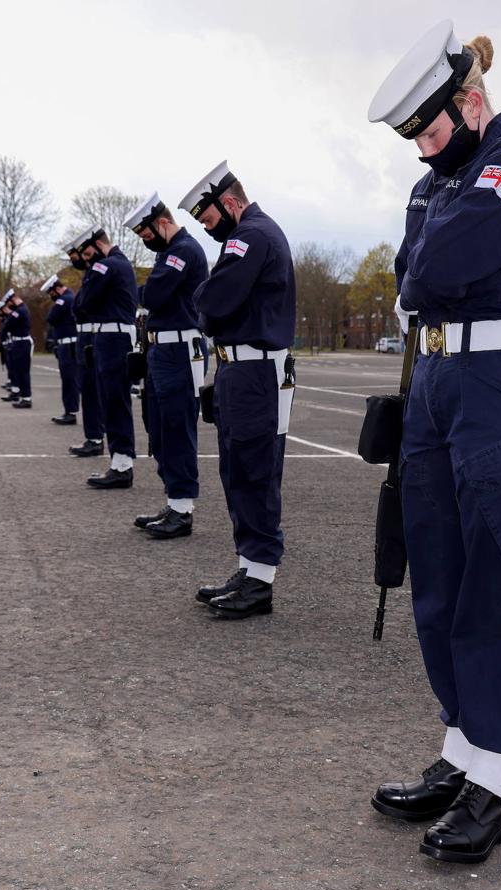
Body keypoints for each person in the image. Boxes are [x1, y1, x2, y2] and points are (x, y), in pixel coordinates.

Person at [367, 20, 501, 863]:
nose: (421, 151)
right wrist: (422, 271)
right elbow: (409, 268)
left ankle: (494, 781)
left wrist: (424, 272)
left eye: (431, 128)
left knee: (498, 591)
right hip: (440, 389)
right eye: (413, 136)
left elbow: (437, 266)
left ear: (472, 99)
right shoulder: (444, 177)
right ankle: (461, 754)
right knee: (441, 585)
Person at [178, 161, 296, 619]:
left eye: (209, 220)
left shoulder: (252, 235)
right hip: (239, 371)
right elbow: (212, 303)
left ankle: (261, 581)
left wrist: (207, 304)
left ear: (229, 203)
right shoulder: (244, 235)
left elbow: (212, 300)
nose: (209, 231)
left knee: (255, 472)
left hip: (256, 372)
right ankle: (249, 568)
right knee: (237, 472)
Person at [123, 192, 209, 539]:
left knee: (176, 428)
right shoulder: (168, 253)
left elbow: (153, 296)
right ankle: (174, 500)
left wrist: (146, 291)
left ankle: (183, 509)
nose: (146, 242)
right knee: (157, 427)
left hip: (180, 350)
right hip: (161, 350)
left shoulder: (183, 250)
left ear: (161, 222)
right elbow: (149, 294)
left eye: (147, 235)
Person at [75, 227, 138, 488]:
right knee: (112, 400)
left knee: (114, 401)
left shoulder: (106, 266)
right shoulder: (116, 264)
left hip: (113, 338)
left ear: (99, 244)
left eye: (88, 252)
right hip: (113, 337)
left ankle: (122, 465)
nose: (87, 259)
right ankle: (119, 462)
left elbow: (83, 303)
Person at [62, 239, 106, 457]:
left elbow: (83, 305)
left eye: (76, 256)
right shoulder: (90, 275)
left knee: (92, 389)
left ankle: (96, 437)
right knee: (87, 389)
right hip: (85, 335)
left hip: (92, 334)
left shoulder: (98, 273)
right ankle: (93, 436)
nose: (75, 261)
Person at [41, 274, 79, 425]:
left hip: (69, 345)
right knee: (70, 379)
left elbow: (51, 317)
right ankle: (70, 411)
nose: (52, 297)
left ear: (57, 289)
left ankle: (71, 412)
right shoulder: (69, 298)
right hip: (67, 344)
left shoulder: (65, 299)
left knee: (70, 380)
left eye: (51, 293)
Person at [0, 289, 33, 409]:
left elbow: (8, 324)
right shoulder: (18, 310)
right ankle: (22, 395)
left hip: (22, 342)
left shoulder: (20, 311)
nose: (8, 307)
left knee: (23, 371)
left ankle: (26, 398)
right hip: (18, 342)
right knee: (18, 370)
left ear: (12, 300)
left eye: (9, 303)